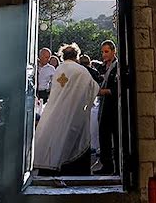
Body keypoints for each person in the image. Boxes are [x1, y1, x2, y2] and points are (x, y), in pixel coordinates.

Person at [34, 43, 99, 175]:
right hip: (75, 111)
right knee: (73, 139)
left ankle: (54, 164)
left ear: (62, 56)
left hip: (57, 111)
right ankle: (72, 168)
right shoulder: (80, 70)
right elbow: (93, 88)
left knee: (57, 136)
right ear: (77, 55)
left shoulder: (59, 69)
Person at [93, 40, 119, 175]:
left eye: (106, 51)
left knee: (116, 136)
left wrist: (100, 91)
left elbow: (116, 89)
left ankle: (118, 167)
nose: (104, 54)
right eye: (102, 52)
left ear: (114, 51)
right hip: (103, 106)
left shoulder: (117, 67)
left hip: (113, 107)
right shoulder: (103, 67)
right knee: (103, 135)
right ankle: (107, 165)